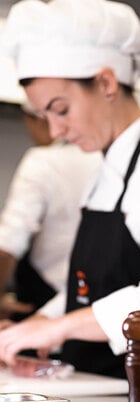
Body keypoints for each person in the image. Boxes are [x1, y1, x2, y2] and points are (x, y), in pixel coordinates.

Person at [0, 0, 140, 392]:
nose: (56, 131)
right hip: (103, 388)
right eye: (45, 116)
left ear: (106, 82)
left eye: (60, 109)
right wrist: (40, 324)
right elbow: (94, 291)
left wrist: (57, 328)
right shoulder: (108, 168)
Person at [0, 105, 101, 321]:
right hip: (92, 304)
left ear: (38, 120)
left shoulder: (41, 160)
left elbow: (9, 242)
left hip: (45, 300)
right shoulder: (102, 158)